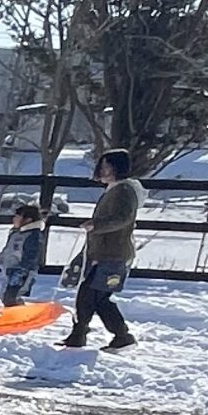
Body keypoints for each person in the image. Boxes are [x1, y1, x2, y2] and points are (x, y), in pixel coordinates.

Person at [55, 149, 141, 349]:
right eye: (102, 167)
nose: (103, 171)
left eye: (108, 167)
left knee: (93, 295)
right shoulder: (113, 190)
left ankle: (117, 335)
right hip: (103, 252)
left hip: (113, 254)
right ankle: (85, 335)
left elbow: (122, 219)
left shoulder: (124, 191)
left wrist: (97, 225)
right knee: (93, 296)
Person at [0, 200, 47, 305]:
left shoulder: (33, 236)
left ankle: (19, 315)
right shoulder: (15, 233)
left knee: (11, 297)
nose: (14, 219)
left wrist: (21, 271)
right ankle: (14, 314)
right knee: (5, 296)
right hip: (9, 271)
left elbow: (31, 256)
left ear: (28, 220)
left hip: (21, 273)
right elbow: (7, 250)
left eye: (17, 217)